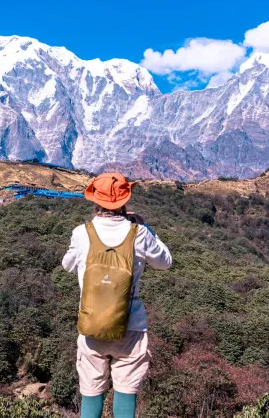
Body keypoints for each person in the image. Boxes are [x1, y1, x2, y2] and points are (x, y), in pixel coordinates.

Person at [62, 172, 173, 418]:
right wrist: (146, 227)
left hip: (91, 325)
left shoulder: (81, 233)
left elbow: (67, 265)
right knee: (125, 391)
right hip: (131, 326)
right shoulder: (139, 233)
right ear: (125, 200)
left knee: (91, 391)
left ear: (95, 200)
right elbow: (165, 262)